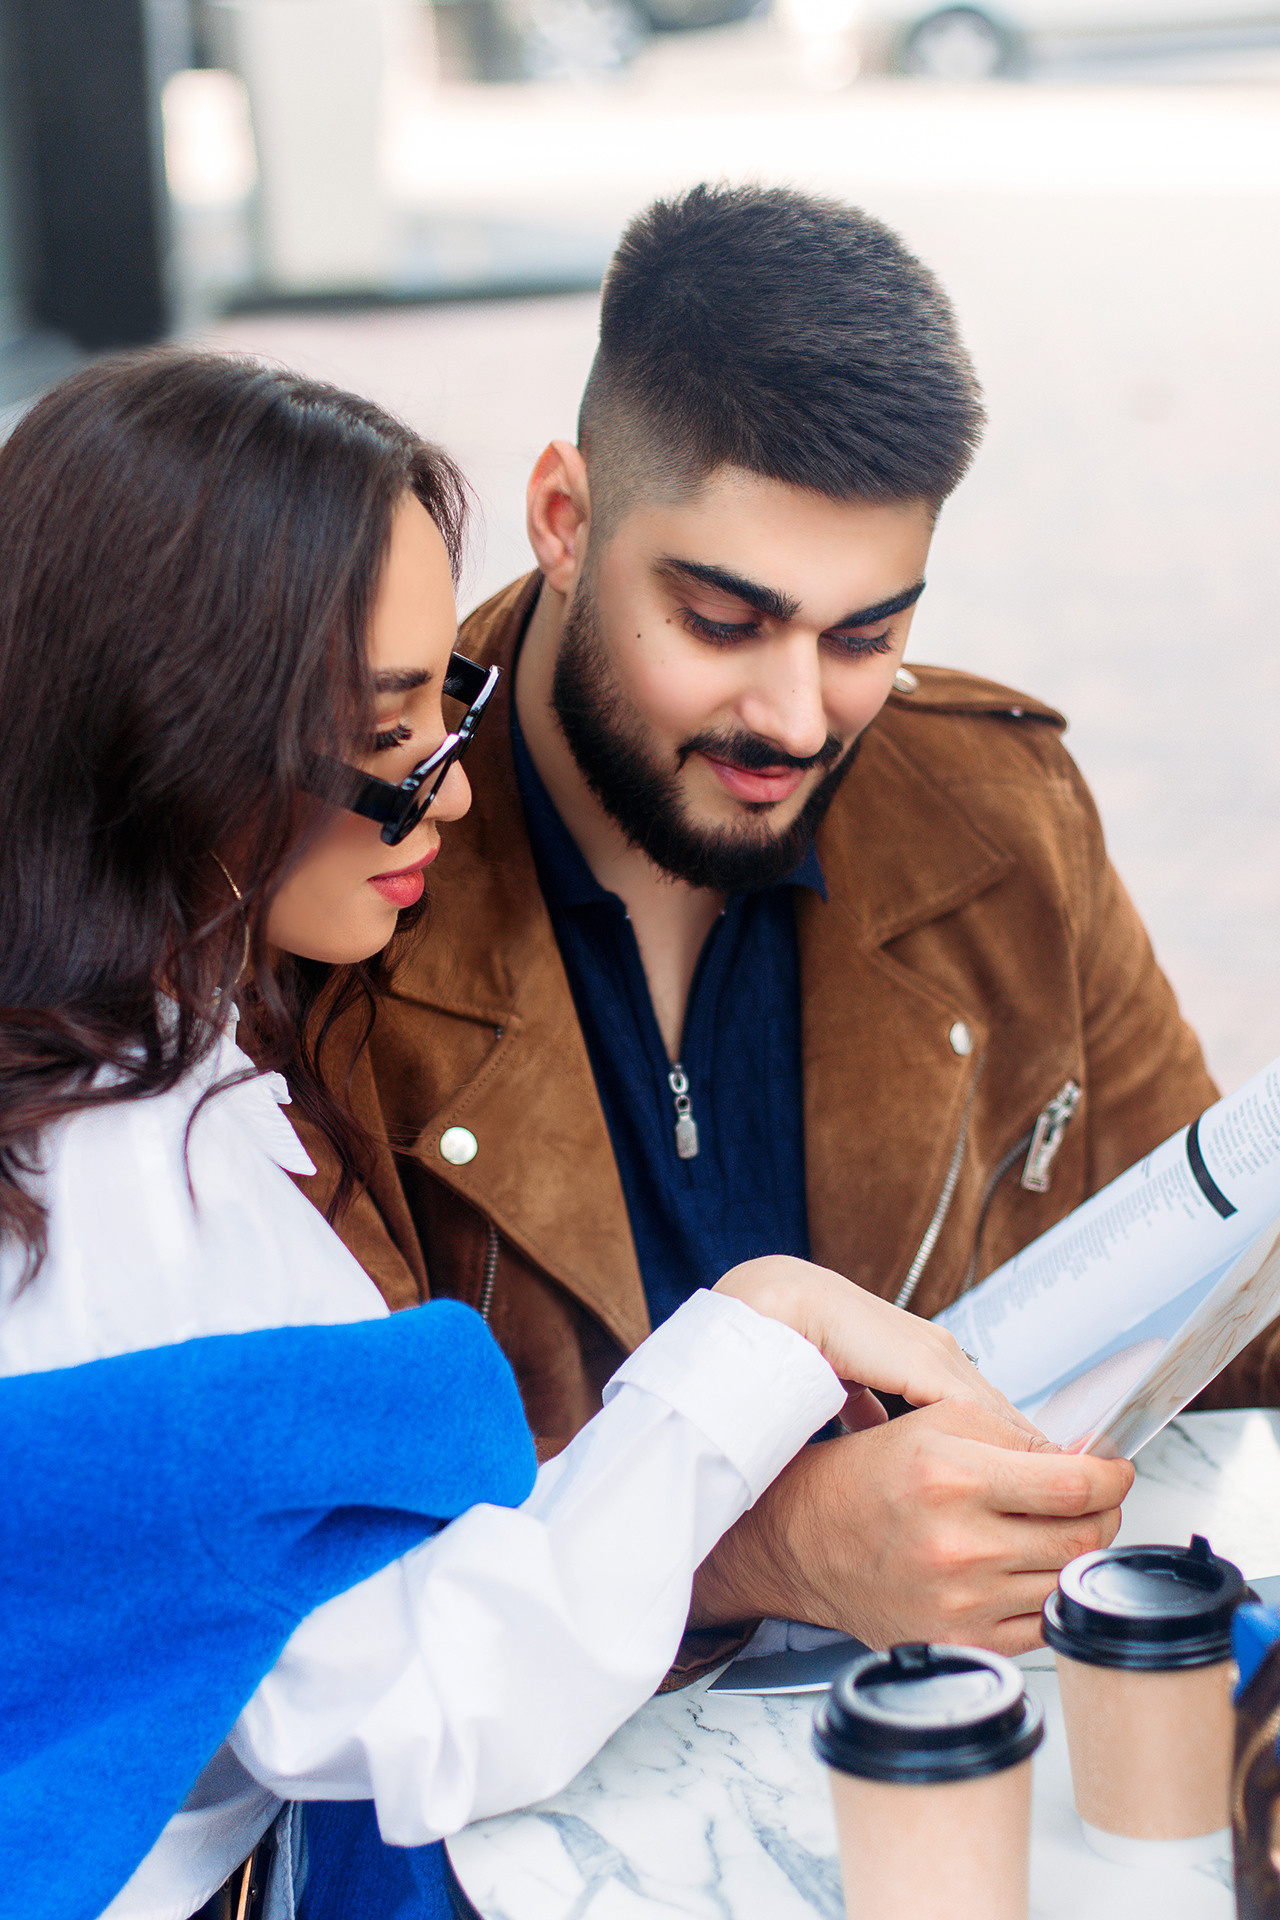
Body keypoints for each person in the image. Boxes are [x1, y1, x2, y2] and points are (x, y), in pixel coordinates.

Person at [0, 349, 1026, 1920]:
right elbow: (397, 1695)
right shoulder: (106, 1169)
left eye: (448, 706)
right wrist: (755, 1337)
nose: (450, 798)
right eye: (390, 732)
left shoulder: (152, 1067)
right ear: (178, 737)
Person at [305, 180, 1251, 1666]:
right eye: (725, 623)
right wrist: (763, 1546)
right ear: (566, 519)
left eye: (869, 634)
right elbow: (312, 1584)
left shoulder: (998, 810)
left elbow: (1221, 1296)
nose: (797, 719)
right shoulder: (342, 871)